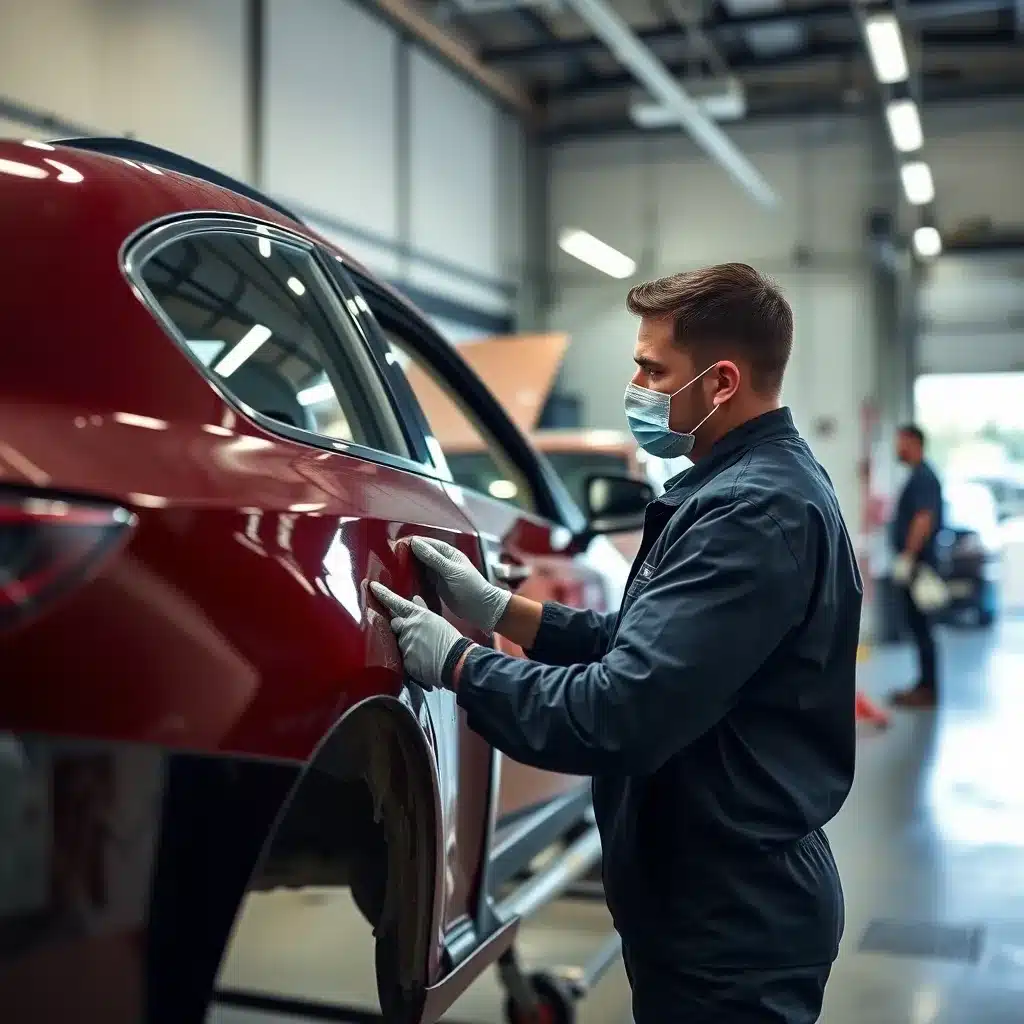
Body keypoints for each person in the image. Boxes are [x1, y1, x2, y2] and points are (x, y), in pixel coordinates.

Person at [371, 263, 862, 1024]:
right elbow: (644, 645)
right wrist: (505, 609)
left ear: (722, 381)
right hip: (711, 897)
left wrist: (460, 663)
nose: (635, 384)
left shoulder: (753, 512)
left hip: (732, 921)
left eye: (650, 368)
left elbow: (618, 711)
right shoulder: (739, 487)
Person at [888, 424, 944, 709]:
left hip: (920, 567)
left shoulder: (923, 476)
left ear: (913, 442)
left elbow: (923, 519)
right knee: (918, 626)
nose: (897, 448)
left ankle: (928, 689)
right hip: (917, 564)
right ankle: (923, 684)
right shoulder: (918, 475)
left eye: (900, 442)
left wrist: (908, 557)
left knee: (923, 627)